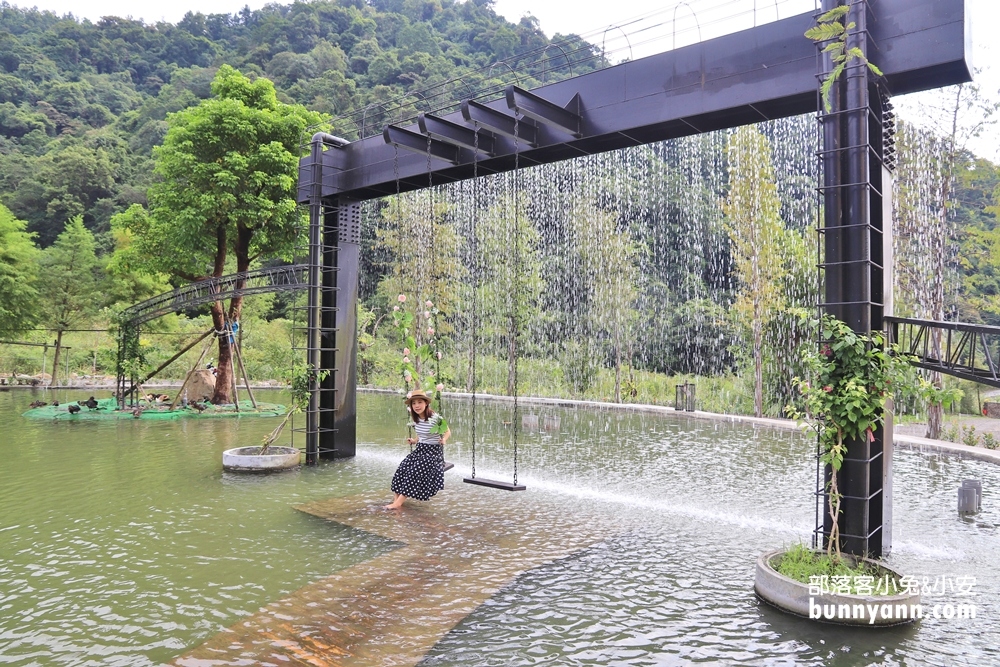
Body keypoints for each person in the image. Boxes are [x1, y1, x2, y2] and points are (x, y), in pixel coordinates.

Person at [384, 389, 450, 510]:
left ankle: (398, 504)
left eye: (419, 402)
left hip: (433, 453)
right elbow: (422, 435)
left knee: (414, 472)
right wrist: (414, 440)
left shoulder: (435, 418)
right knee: (402, 469)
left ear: (426, 403)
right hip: (420, 450)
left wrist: (444, 440)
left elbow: (447, 431)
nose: (416, 406)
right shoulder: (416, 419)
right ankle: (396, 501)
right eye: (414, 403)